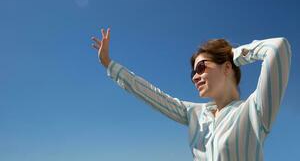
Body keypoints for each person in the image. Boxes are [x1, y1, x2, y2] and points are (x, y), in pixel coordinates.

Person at [91, 27, 291, 161]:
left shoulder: (255, 111)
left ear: (227, 68)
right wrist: (109, 64)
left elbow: (278, 48)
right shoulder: (194, 113)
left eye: (202, 67)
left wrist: (233, 54)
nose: (195, 77)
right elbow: (152, 95)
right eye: (193, 72)